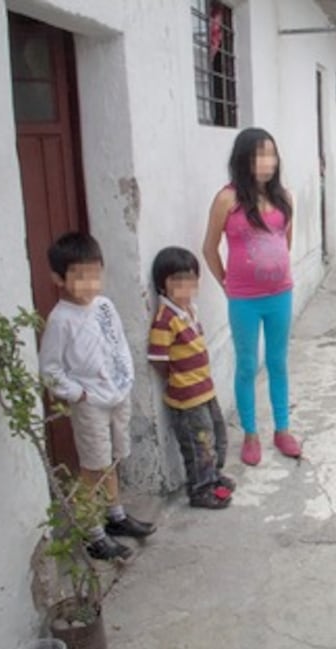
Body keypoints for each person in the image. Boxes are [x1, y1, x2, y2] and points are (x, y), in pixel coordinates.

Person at [39, 232, 156, 561]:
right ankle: (92, 533)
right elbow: (50, 370)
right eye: (79, 276)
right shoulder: (61, 320)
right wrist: (80, 394)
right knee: (94, 467)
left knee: (113, 458)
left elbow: (117, 342)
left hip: (118, 394)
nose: (89, 283)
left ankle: (115, 516)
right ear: (58, 279)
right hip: (90, 405)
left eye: (94, 273)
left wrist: (126, 377)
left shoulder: (104, 306)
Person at [202, 127, 303, 467]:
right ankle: (250, 433)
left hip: (280, 295)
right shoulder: (227, 199)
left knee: (278, 363)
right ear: (244, 159)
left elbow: (284, 244)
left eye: (272, 154)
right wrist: (226, 284)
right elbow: (209, 247)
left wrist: (274, 271)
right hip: (244, 300)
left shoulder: (285, 198)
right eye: (260, 154)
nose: (268, 162)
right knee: (247, 365)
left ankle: (282, 429)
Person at [148, 247, 235, 509]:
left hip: (205, 390)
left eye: (190, 279)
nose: (185, 286)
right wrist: (178, 381)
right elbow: (158, 359)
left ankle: (213, 476)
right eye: (176, 281)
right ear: (162, 285)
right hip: (187, 398)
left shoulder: (189, 312)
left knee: (217, 435)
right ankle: (200, 489)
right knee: (199, 444)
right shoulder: (165, 319)